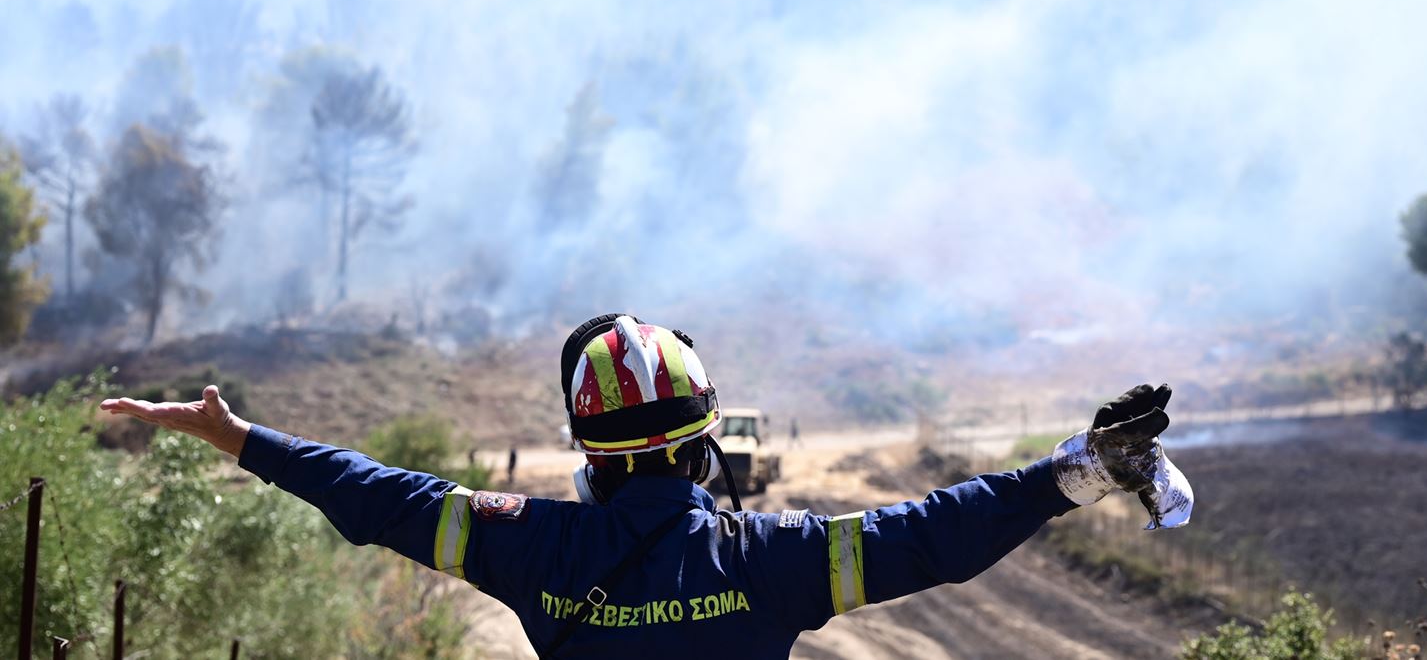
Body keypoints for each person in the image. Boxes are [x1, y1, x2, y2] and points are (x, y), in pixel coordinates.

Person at [100, 313, 1192, 659]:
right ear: (701, 448)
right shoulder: (772, 562)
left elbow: (377, 493)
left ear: (592, 453)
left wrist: (238, 437)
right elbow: (934, 532)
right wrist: (1079, 471)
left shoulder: (529, 546)